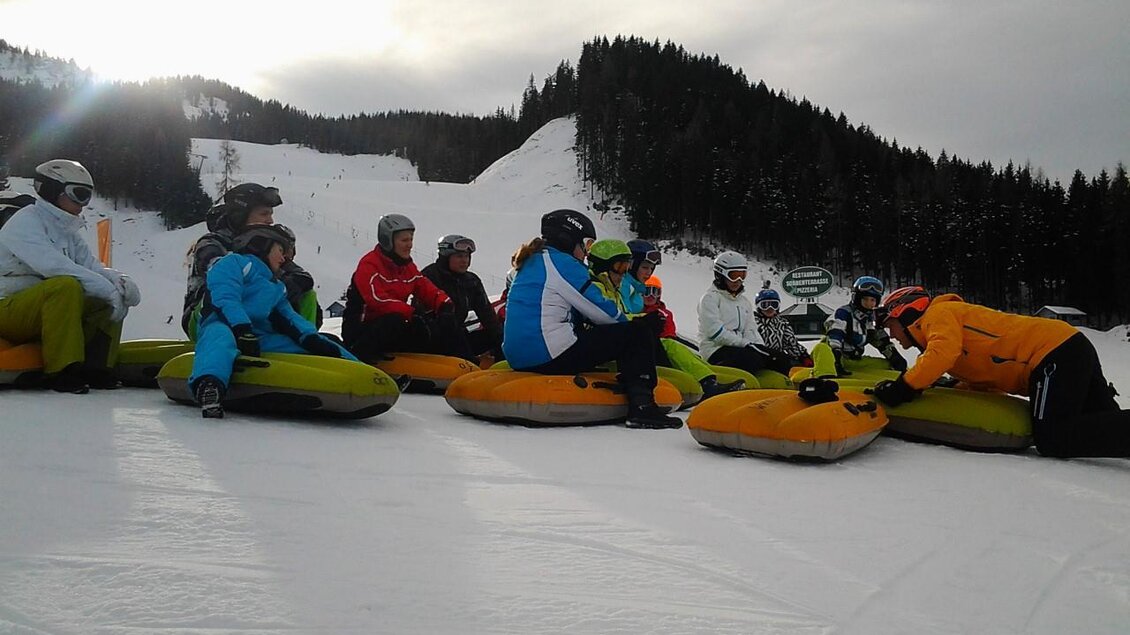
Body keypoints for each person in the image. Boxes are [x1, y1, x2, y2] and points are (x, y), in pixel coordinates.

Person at [874, 286, 1130, 458]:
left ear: (904, 313)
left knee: (1054, 438)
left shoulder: (939, 314)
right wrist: (955, 389)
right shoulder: (944, 344)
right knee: (1107, 423)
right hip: (1067, 347)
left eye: (891, 326)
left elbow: (941, 353)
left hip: (1051, 353)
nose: (891, 335)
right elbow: (986, 381)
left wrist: (903, 387)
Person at [503, 209, 681, 429]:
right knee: (636, 333)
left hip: (518, 355)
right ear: (569, 240)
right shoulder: (563, 264)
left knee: (612, 332)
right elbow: (602, 312)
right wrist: (638, 325)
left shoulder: (532, 261)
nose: (586, 254)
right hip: (548, 355)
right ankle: (643, 406)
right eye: (586, 245)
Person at [0, 159, 141, 393]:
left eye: (87, 196)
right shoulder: (25, 223)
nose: (83, 204)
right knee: (65, 286)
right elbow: (55, 267)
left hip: (38, 307)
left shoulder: (66, 230)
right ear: (54, 191)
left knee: (103, 300)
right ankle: (62, 370)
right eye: (78, 194)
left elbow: (90, 266)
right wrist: (106, 288)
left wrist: (119, 282)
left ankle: (97, 368)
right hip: (7, 306)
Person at [189, 225, 355, 418]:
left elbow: (289, 318)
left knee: (312, 344)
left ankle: (354, 368)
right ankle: (210, 384)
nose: (284, 258)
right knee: (219, 339)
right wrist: (241, 328)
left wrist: (311, 339)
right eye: (280, 251)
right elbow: (225, 297)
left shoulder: (276, 286)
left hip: (257, 336)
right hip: (223, 323)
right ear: (261, 245)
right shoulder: (232, 263)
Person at [182, 183, 321, 338]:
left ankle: (305, 341)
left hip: (252, 317)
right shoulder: (213, 242)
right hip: (207, 316)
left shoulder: (265, 246)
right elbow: (219, 273)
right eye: (264, 214)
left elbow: (301, 276)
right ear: (240, 215)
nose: (270, 220)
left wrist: (291, 285)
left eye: (271, 214)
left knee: (306, 295)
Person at [342, 213, 471, 362]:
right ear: (388, 241)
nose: (409, 244)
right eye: (404, 240)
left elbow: (425, 287)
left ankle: (466, 366)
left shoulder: (406, 266)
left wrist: (444, 305)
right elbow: (378, 301)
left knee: (442, 325)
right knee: (394, 321)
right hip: (361, 332)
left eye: (411, 239)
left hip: (395, 326)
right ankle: (365, 361)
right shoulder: (369, 265)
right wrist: (411, 313)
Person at [640, 275, 744, 397]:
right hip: (653, 347)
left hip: (663, 344)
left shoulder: (664, 313)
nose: (651, 296)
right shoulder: (637, 310)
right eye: (647, 291)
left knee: (690, 352)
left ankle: (713, 375)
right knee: (675, 348)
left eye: (655, 292)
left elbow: (669, 333)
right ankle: (707, 383)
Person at [697, 250, 791, 376]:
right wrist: (746, 344)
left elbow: (750, 330)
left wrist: (760, 347)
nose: (738, 280)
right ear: (720, 275)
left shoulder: (744, 302)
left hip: (740, 348)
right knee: (751, 359)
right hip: (715, 350)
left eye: (742, 275)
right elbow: (715, 332)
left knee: (779, 359)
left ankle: (778, 388)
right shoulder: (710, 299)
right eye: (734, 275)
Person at [420, 233, 503, 367]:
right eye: (459, 256)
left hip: (460, 337)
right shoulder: (429, 276)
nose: (464, 261)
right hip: (435, 339)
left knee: (497, 335)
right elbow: (423, 315)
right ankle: (470, 366)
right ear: (446, 257)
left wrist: (500, 338)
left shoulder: (471, 281)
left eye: (467, 256)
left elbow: (487, 315)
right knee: (448, 323)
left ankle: (504, 369)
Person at [815, 276, 906, 377]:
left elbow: (880, 340)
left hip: (852, 360)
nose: (869, 303)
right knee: (822, 348)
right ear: (857, 298)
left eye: (872, 300)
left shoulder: (869, 320)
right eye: (865, 299)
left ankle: (900, 378)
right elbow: (836, 333)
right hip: (830, 357)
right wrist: (836, 355)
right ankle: (825, 377)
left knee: (888, 365)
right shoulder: (843, 313)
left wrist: (894, 356)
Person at [753, 288, 812, 367]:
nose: (770, 308)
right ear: (758, 307)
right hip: (759, 358)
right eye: (765, 305)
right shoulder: (752, 322)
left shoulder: (781, 323)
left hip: (778, 359)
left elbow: (791, 343)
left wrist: (803, 356)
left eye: (774, 305)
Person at [623, 239, 662, 313]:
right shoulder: (624, 286)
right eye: (645, 267)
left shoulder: (637, 288)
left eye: (652, 268)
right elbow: (621, 319)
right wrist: (644, 320)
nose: (649, 272)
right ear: (631, 265)